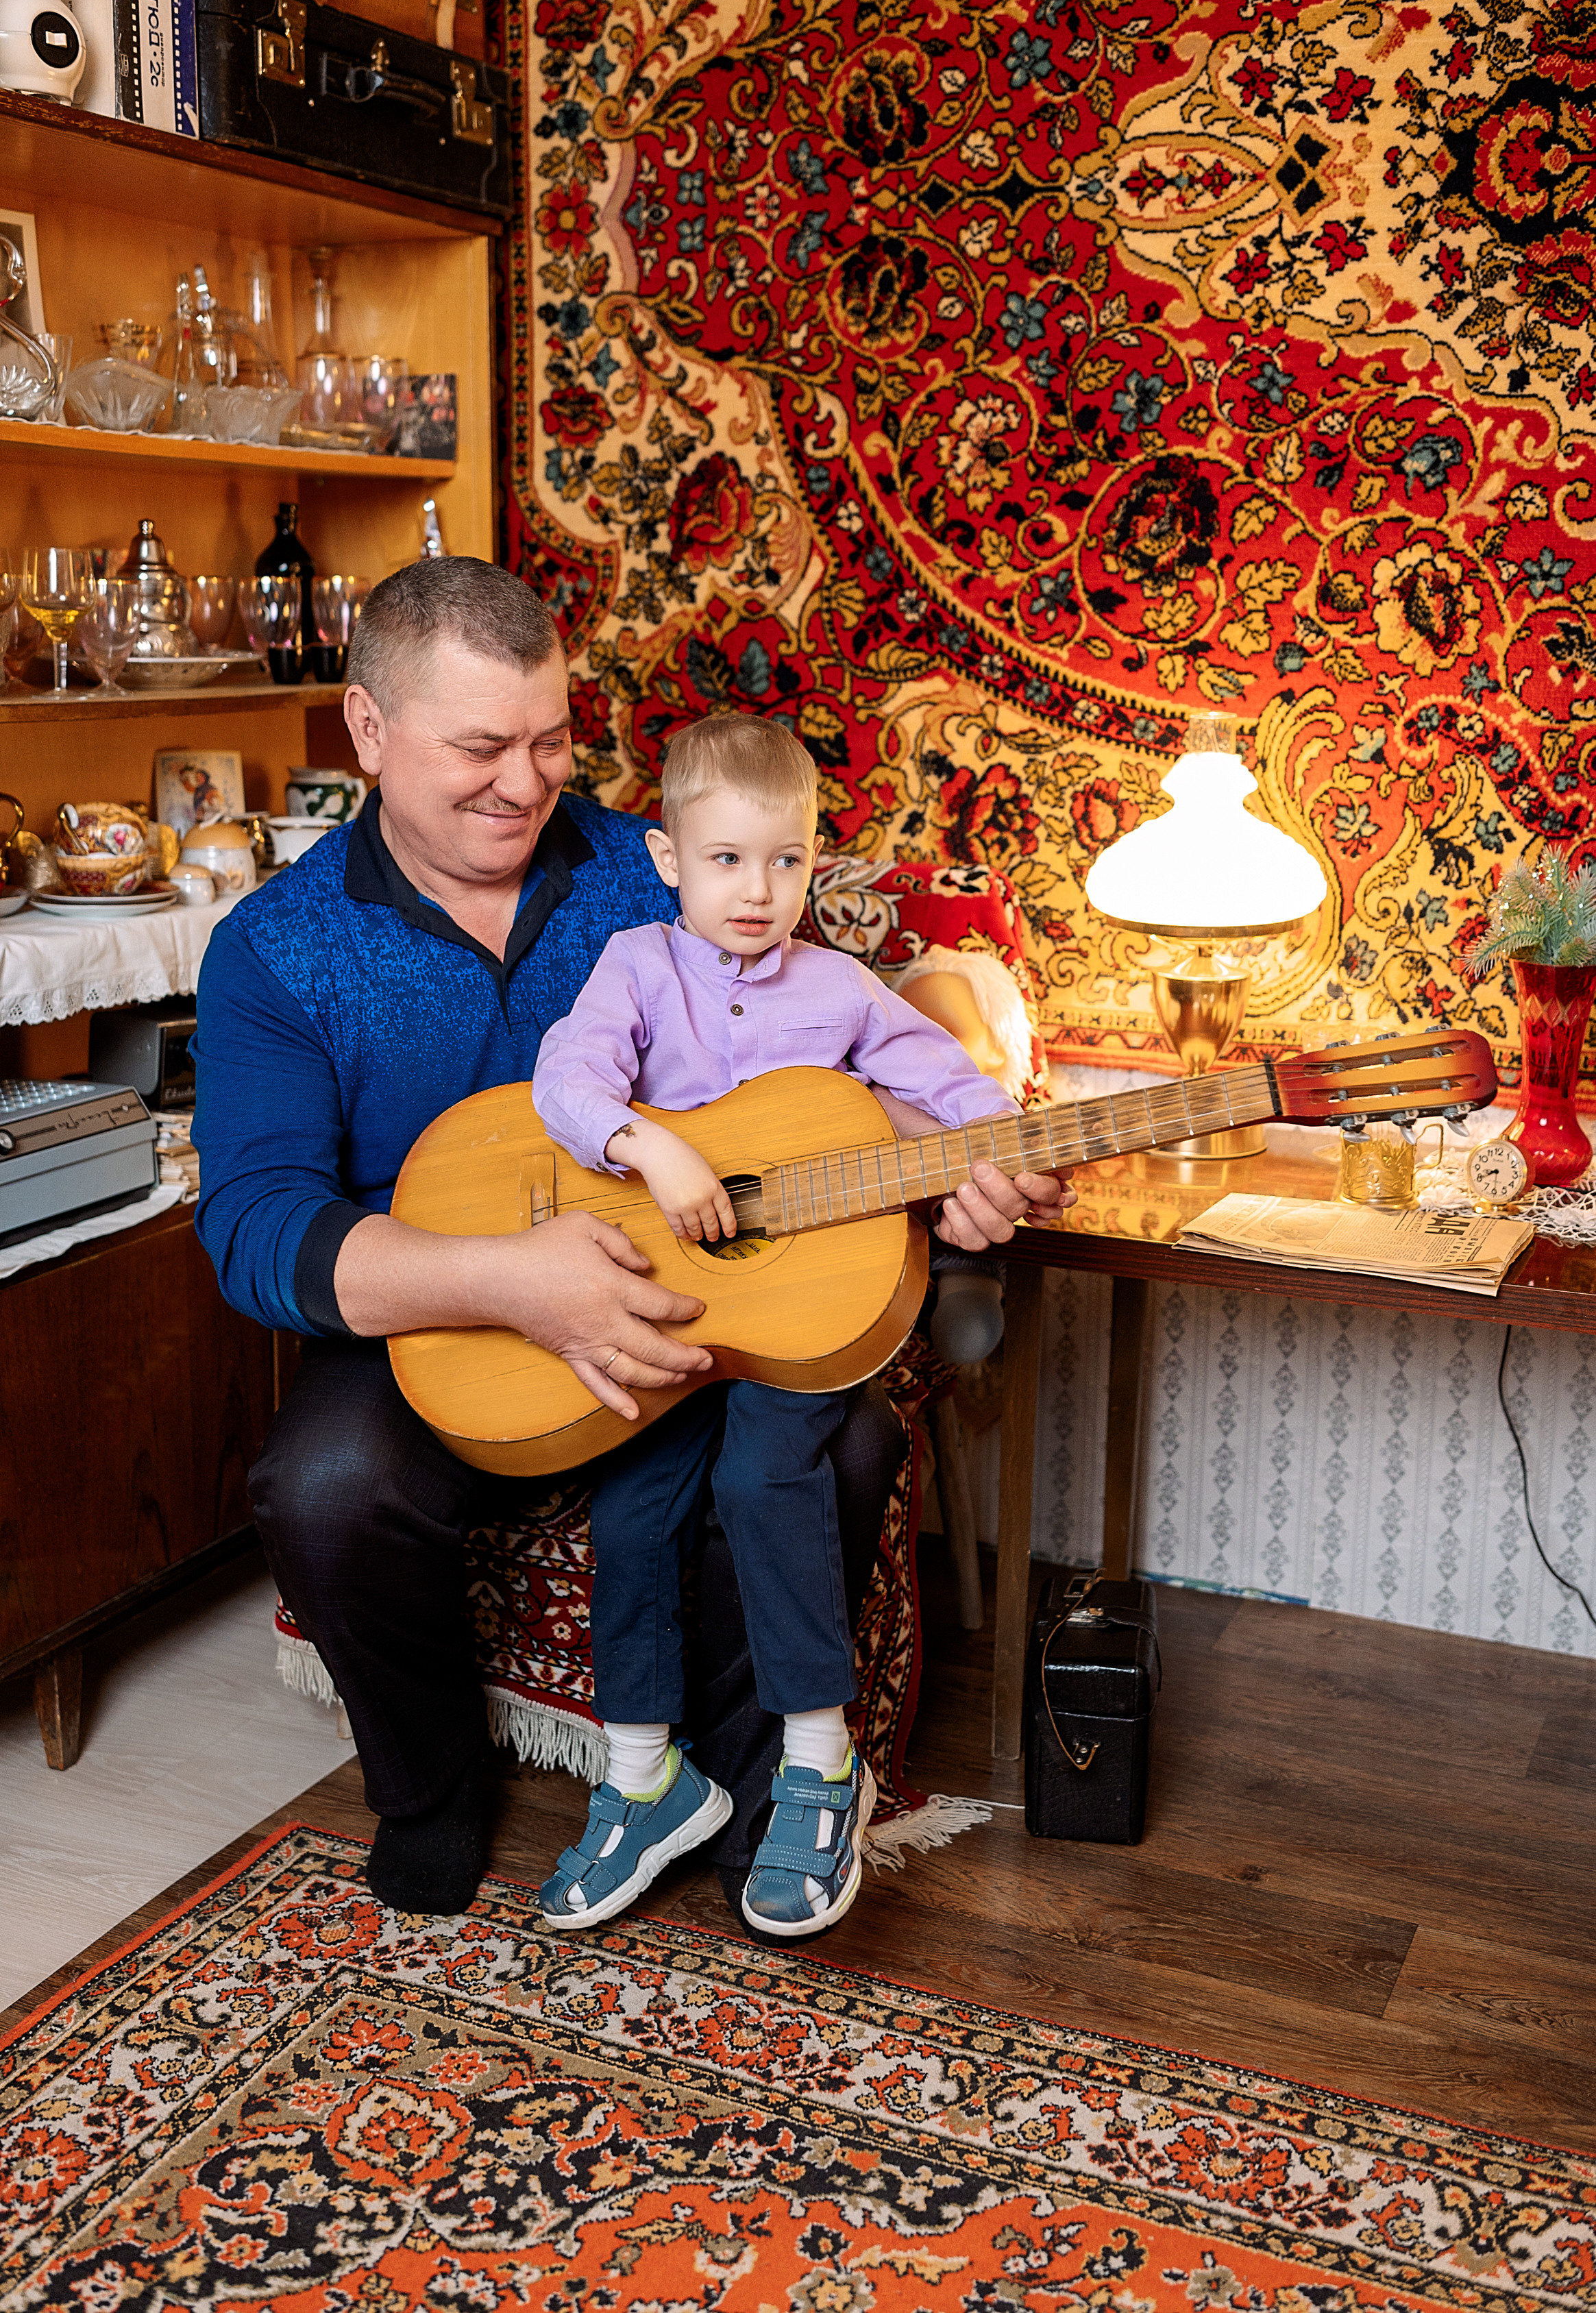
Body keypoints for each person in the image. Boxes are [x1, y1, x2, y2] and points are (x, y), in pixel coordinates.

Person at [192, 557, 1070, 1922]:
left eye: (550, 740)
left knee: (836, 1437)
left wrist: (932, 1161)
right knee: (319, 1484)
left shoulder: (656, 869)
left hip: (691, 1290)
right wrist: (515, 1286)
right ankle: (429, 1791)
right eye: (479, 747)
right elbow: (255, 1231)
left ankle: (755, 1794)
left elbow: (820, 1049)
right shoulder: (275, 947)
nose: (524, 781)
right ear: (367, 732)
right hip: (444, 1307)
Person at [530, 718, 1022, 1939]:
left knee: (763, 1478)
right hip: (670, 1306)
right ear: (667, 858)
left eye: (788, 862)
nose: (758, 892)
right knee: (634, 1504)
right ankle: (646, 1779)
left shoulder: (842, 989)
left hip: (803, 1311)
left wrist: (997, 1150)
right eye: (727, 861)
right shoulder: (636, 967)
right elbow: (565, 1082)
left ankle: (817, 1759)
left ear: (816, 863)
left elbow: (959, 1093)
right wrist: (650, 1142)